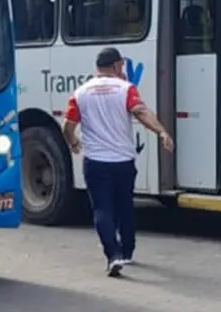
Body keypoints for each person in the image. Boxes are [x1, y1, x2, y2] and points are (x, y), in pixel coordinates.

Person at [63, 47, 175, 277]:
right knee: (125, 206)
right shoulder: (126, 89)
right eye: (121, 66)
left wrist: (73, 143)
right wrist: (161, 132)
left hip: (95, 161)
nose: (122, 69)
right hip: (123, 160)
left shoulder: (81, 92)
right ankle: (127, 251)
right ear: (115, 66)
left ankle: (112, 256)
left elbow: (67, 125)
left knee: (102, 208)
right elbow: (141, 113)